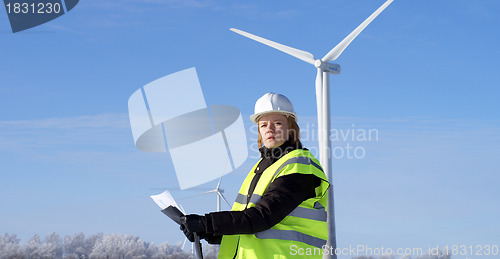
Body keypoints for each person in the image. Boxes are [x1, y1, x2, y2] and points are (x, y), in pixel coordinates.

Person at [180, 92, 330, 259]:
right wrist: (209, 232)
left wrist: (207, 223)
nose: (270, 129)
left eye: (277, 123)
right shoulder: (261, 168)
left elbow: (262, 216)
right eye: (263, 125)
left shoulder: (299, 167)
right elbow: (249, 228)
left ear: (291, 129)